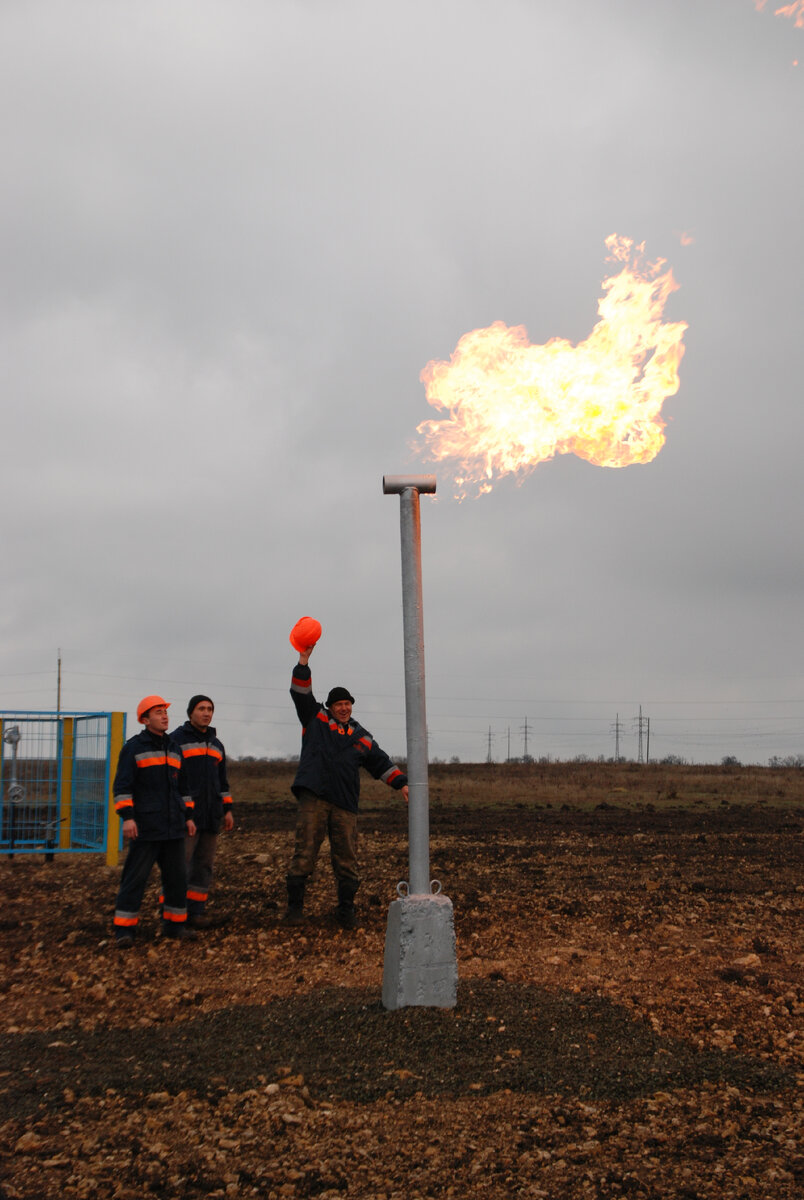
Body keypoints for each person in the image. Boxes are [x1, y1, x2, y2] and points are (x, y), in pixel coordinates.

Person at [284, 643, 408, 929]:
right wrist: (303, 661)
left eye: (348, 704)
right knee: (304, 853)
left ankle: (345, 911)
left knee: (347, 859)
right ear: (330, 707)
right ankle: (294, 911)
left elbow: (380, 762)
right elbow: (300, 692)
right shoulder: (315, 719)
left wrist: (400, 783)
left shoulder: (361, 736)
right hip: (313, 797)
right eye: (339, 704)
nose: (344, 708)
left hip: (345, 803)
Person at [112, 695, 197, 947]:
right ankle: (124, 931)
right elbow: (122, 787)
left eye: (165, 712)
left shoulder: (174, 747)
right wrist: (128, 818)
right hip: (146, 828)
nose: (164, 716)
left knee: (177, 879)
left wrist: (189, 817)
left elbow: (183, 788)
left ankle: (174, 926)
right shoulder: (134, 748)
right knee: (135, 879)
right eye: (158, 712)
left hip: (173, 827)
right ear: (145, 719)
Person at [170, 694, 234, 929]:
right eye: (201, 709)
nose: (206, 713)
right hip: (187, 817)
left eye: (209, 709)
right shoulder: (176, 741)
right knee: (179, 866)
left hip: (211, 816)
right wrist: (182, 811)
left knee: (203, 866)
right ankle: (173, 916)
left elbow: (222, 782)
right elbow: (173, 781)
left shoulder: (216, 745)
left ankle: (196, 913)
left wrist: (227, 810)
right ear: (190, 713)